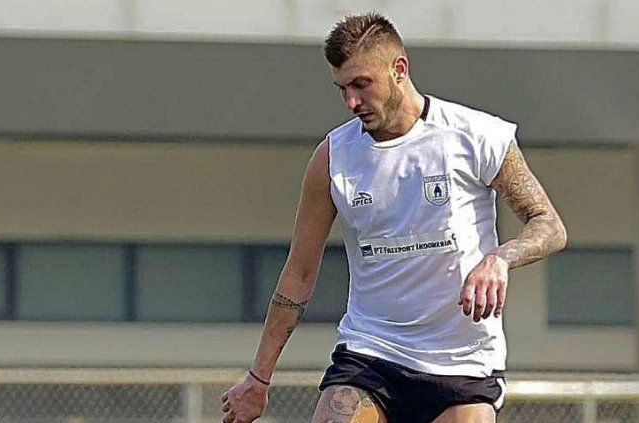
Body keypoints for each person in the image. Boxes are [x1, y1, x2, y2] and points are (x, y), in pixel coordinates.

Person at [221, 12, 567, 423]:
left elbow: (549, 224)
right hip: (371, 356)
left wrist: (500, 259)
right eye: (343, 89)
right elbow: (298, 273)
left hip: (462, 365)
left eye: (361, 84)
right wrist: (258, 379)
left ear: (398, 69)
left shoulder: (477, 136)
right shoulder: (333, 158)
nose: (352, 102)